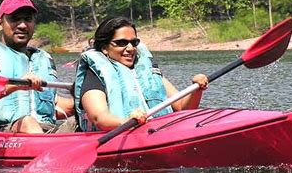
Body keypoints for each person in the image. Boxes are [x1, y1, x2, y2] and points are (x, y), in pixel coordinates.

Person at [74, 16, 208, 132]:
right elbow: (98, 117)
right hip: (118, 135)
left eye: (134, 42)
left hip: (158, 131)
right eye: (121, 43)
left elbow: (182, 107)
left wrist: (196, 89)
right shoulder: (94, 76)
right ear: (104, 48)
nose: (130, 48)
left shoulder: (147, 71)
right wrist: (126, 122)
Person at [0, 0, 75, 133]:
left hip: (45, 130)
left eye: (28, 19)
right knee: (28, 122)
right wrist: (16, 86)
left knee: (83, 118)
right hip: (3, 131)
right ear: (0, 23)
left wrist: (83, 96)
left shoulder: (43, 58)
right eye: (15, 19)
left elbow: (54, 106)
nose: (23, 25)